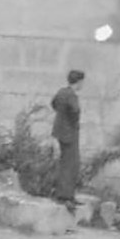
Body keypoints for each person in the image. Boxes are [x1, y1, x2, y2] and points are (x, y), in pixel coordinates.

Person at [50, 69, 85, 206]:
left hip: (59, 131)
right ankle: (66, 195)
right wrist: (72, 121)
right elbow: (75, 110)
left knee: (65, 163)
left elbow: (53, 104)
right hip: (70, 133)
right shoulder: (71, 95)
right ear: (79, 82)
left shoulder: (61, 92)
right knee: (71, 164)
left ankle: (64, 194)